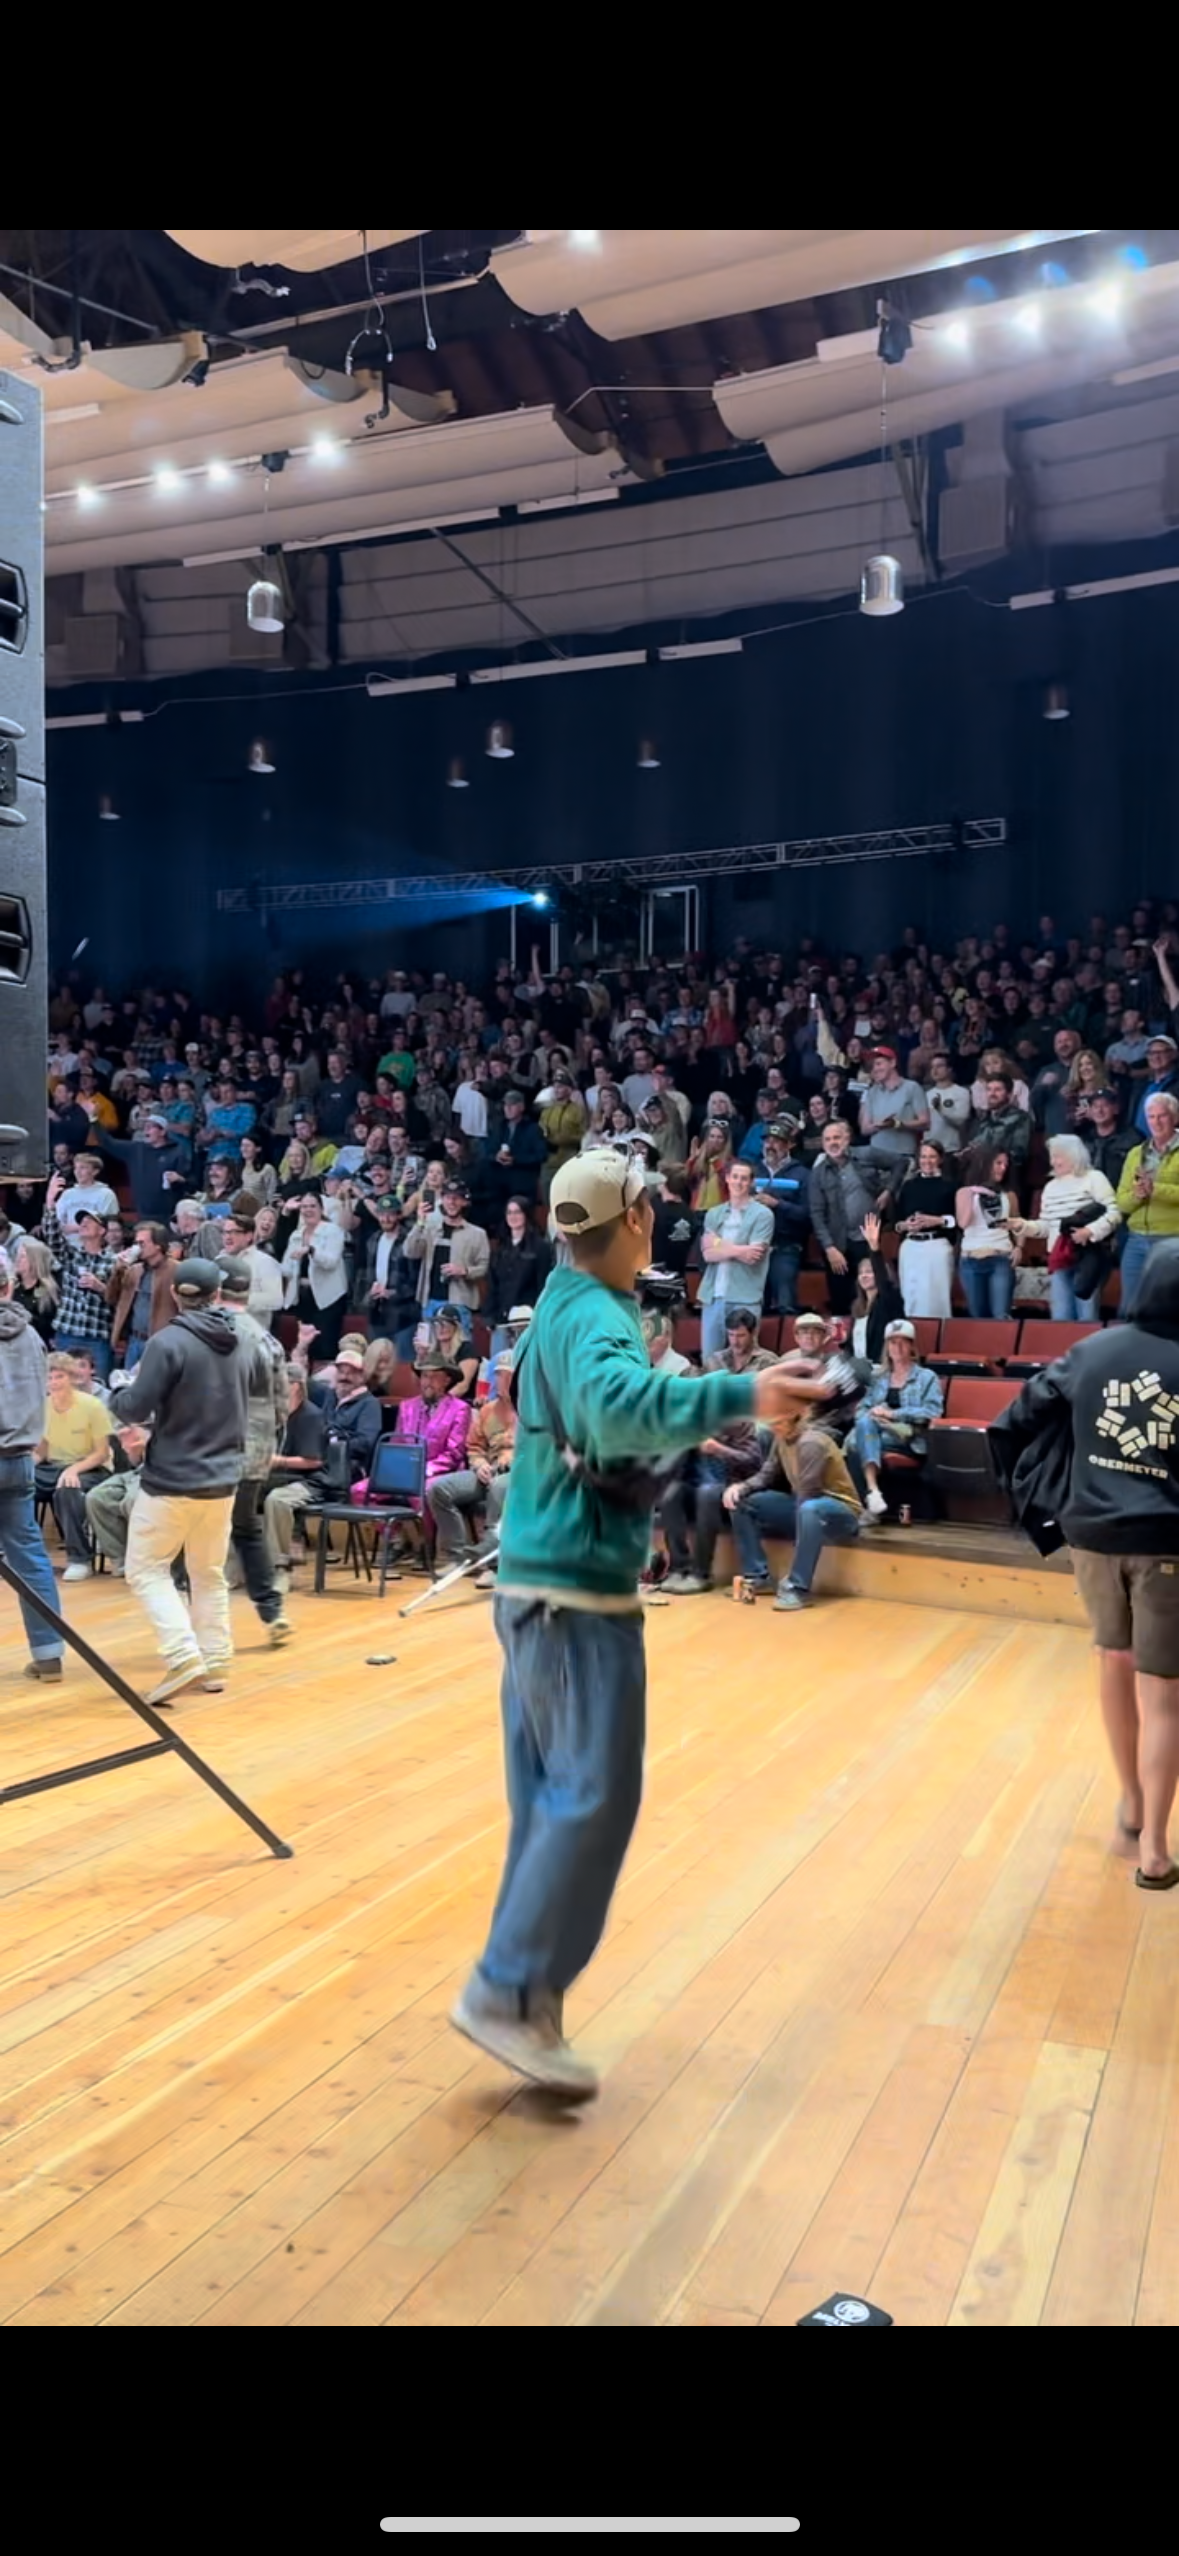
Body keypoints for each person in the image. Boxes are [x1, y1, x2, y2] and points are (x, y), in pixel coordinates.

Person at [449, 1148, 815, 2099]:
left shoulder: (561, 1304)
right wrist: (747, 1391)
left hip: (539, 1583)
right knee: (591, 1798)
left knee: (552, 1804)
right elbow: (616, 1410)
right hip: (573, 1592)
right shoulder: (595, 1315)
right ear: (640, 1219)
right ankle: (505, 1992)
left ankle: (526, 2003)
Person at [991, 1242, 1179, 1886]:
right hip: (1167, 1544)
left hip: (1092, 1536)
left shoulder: (1092, 1350)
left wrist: (1040, 1503)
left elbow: (1011, 1422)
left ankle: (1131, 1806)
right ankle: (1155, 1851)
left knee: (1113, 1660)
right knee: (1164, 1696)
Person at [108, 1259, 248, 1706]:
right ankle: (215, 1661)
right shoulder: (241, 1340)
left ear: (174, 1294)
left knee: (146, 1568)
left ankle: (182, 1653)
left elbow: (135, 1406)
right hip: (223, 1478)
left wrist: (117, 1390)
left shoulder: (167, 1342)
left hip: (172, 1479)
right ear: (217, 1294)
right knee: (207, 1572)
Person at [660, 1305, 776, 1592]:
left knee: (708, 1492)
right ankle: (678, 1567)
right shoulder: (696, 1407)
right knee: (669, 1490)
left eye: (740, 1335)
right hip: (698, 1474)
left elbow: (752, 1458)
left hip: (730, 1476)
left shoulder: (739, 1417)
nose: (735, 1341)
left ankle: (702, 1573)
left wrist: (719, 1449)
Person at [216, 1260, 292, 1645]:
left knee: (199, 1532)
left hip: (213, 1449)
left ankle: (197, 1624)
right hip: (256, 1451)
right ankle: (272, 1610)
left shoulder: (210, 1333)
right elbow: (283, 1406)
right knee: (246, 1527)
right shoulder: (268, 1340)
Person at [0, 1252, 67, 1679]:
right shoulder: (30, 1336)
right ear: (8, 1286)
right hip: (20, 1458)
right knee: (29, 1556)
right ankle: (49, 1653)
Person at [723, 1407, 863, 1607]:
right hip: (806, 1508)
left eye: (778, 1422)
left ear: (794, 1418)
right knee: (741, 1501)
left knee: (810, 1509)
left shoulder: (811, 1442)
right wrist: (741, 1487)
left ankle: (798, 1588)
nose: (772, 1426)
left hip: (841, 1513)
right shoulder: (781, 1437)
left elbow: (808, 1493)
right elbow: (766, 1475)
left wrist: (799, 1542)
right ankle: (757, 1577)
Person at [1010, 1135, 1120, 1322]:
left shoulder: (1094, 1178)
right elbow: (1046, 1226)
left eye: (1058, 1156)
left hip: (1088, 1257)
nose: (1053, 1162)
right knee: (1061, 1316)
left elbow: (1114, 1213)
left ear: (1074, 1155)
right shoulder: (1050, 1187)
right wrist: (1023, 1226)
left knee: (1087, 1317)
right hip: (1060, 1258)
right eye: (1052, 1156)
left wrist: (1089, 1231)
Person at [426, 1348, 516, 1569]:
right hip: (488, 1470)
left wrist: (512, 1458)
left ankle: (494, 1564)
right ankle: (457, 1557)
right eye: (499, 1375)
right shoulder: (487, 1411)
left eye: (508, 1375)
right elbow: (474, 1447)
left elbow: (540, 1447)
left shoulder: (533, 1410)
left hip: (519, 1473)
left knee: (498, 1487)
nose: (502, 1381)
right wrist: (479, 1464)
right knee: (439, 1490)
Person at [846, 1318, 944, 1518]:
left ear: (912, 1346)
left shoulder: (927, 1377)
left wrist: (893, 1415)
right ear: (887, 1347)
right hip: (878, 1433)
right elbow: (862, 1408)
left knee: (855, 1442)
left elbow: (933, 1412)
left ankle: (866, 1504)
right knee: (864, 1427)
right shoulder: (879, 1378)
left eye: (903, 1342)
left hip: (908, 1437)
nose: (897, 1347)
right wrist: (874, 1415)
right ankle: (873, 1493)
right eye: (892, 1342)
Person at [35, 1348, 112, 1578]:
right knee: (17, 1483)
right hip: (53, 1466)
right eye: (49, 1377)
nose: (54, 1382)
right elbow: (42, 1451)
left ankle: (80, 1559)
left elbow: (102, 1453)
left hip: (91, 1467)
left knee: (67, 1489)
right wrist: (23, 1466)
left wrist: (73, 1470)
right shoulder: (43, 1407)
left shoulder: (92, 1406)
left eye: (59, 1376)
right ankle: (20, 1555)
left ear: (71, 1378)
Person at [696, 1158, 774, 1358]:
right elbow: (708, 1254)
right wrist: (741, 1250)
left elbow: (753, 1256)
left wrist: (718, 1243)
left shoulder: (763, 1215)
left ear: (751, 1182)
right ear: (727, 1179)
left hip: (746, 1296)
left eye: (744, 1178)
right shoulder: (714, 1213)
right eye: (735, 1177)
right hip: (713, 1296)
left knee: (745, 1359)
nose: (739, 1182)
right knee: (710, 1359)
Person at [42, 1187, 118, 1379]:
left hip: (97, 1335)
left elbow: (120, 1300)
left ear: (102, 1231)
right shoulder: (71, 1256)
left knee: (98, 1386)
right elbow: (53, 1237)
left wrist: (100, 1287)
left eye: (89, 1221)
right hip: (67, 1331)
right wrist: (50, 1204)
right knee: (61, 1384)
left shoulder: (115, 1262)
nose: (83, 1223)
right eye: (81, 1221)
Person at [1116, 1092, 1179, 1316]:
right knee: (1130, 1308)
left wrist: (1156, 1190)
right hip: (1136, 1240)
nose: (1156, 1122)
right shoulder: (1136, 1153)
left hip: (1172, 1240)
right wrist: (1137, 1195)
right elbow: (1121, 1201)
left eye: (1162, 1116)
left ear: (1175, 1117)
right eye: (1151, 1117)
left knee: (1168, 1309)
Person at [808, 1118, 876, 1315]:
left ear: (846, 1139)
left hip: (865, 1239)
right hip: (837, 1245)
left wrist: (888, 1191)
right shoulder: (818, 1174)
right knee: (840, 1300)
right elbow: (816, 1214)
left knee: (870, 1296)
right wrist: (829, 1248)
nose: (833, 1143)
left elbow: (900, 1162)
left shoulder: (865, 1156)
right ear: (823, 1144)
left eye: (837, 1137)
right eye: (828, 1139)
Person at [263, 1368, 328, 1573]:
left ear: (295, 1386)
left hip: (311, 1481)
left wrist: (277, 1461)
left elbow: (314, 1461)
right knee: (241, 1494)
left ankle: (279, 1566)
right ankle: (238, 1567)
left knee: (277, 1500)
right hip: (284, 1477)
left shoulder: (311, 1416)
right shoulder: (279, 1415)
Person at [890, 1138, 959, 1320]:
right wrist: (905, 1225)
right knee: (910, 1296)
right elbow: (896, 1221)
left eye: (932, 1157)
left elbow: (959, 1220)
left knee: (936, 1298)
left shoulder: (951, 1186)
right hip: (911, 1246)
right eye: (923, 1156)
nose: (927, 1161)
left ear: (940, 1159)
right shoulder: (909, 1186)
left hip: (937, 1245)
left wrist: (936, 1220)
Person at [404, 1178, 490, 1317]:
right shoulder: (430, 1228)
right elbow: (410, 1252)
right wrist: (420, 1222)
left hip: (460, 1302)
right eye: (448, 1197)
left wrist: (464, 1271)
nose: (451, 1202)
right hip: (430, 1301)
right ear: (442, 1200)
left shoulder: (477, 1234)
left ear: (465, 1202)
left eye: (456, 1198)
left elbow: (484, 1268)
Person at [280, 1192, 349, 1363]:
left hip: (328, 1298)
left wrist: (311, 1251)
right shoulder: (296, 1235)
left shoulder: (332, 1231)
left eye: (312, 1206)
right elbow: (286, 1267)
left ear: (321, 1209)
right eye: (304, 1206)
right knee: (305, 1346)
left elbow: (330, 1262)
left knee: (325, 1348)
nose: (308, 1210)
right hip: (303, 1297)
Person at [751, 1120, 811, 1314]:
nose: (770, 1145)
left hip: (786, 1246)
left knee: (786, 1304)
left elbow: (807, 1214)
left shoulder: (802, 1174)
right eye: (767, 1141)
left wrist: (778, 1204)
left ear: (788, 1145)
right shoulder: (752, 1171)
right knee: (755, 1305)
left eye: (776, 1141)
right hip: (754, 1248)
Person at [955, 1147, 1020, 1320]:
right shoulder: (964, 1192)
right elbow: (963, 1223)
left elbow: (1018, 1224)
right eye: (998, 1163)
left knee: (1001, 1315)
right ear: (985, 1164)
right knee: (977, 1316)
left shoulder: (1009, 1195)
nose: (1003, 1168)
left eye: (1005, 1164)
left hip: (1000, 1257)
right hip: (971, 1259)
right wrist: (973, 1193)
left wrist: (1019, 1247)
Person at [105, 1221, 176, 1370]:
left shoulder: (176, 1270)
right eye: (136, 1243)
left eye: (142, 1243)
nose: (137, 1247)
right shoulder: (134, 1270)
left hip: (160, 1343)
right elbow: (111, 1298)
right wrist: (118, 1271)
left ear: (158, 1245)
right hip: (134, 1341)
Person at [855, 1045, 929, 1184]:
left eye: (879, 1063)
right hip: (876, 1157)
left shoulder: (912, 1088)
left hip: (903, 1155)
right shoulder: (872, 1092)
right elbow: (865, 1129)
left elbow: (925, 1122)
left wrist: (898, 1124)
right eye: (872, 1066)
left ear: (893, 1063)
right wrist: (880, 1126)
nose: (875, 1069)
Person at [53, 1150, 118, 1241]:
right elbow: (57, 1221)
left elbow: (109, 1223)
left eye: (83, 1168)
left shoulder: (106, 1194)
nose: (78, 1172)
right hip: (68, 1245)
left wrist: (77, 1228)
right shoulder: (67, 1194)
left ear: (95, 1171)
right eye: (76, 1168)